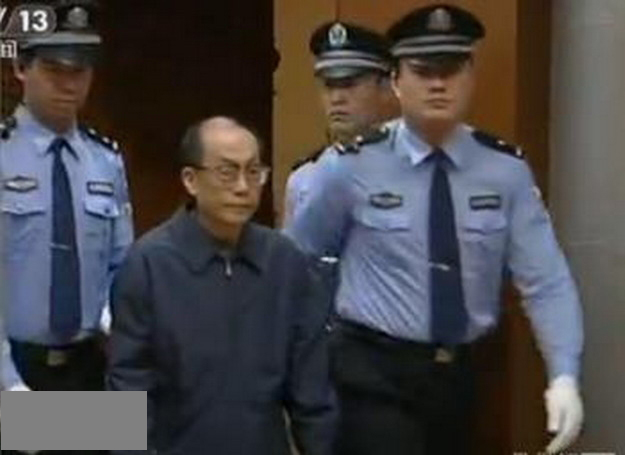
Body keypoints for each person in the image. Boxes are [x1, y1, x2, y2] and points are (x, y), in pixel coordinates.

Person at [285, 4, 584, 455]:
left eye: (451, 69)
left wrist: (563, 374)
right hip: (371, 372)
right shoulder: (349, 167)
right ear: (397, 80)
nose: (438, 84)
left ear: (471, 75)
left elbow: (545, 280)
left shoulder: (505, 171)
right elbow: (296, 262)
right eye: (423, 71)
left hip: (459, 373)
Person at [107, 117, 337, 455]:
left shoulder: (285, 262)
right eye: (227, 172)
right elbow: (129, 384)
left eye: (254, 171)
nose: (243, 187)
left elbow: (310, 388)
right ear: (190, 180)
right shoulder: (149, 264)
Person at [0, 0, 133, 394]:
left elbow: (123, 265)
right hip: (13, 364)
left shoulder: (106, 161)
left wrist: (112, 317)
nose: (69, 84)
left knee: (124, 427)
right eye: (55, 70)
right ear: (20, 67)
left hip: (88, 364)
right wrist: (8, 383)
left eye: (80, 71)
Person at [283, 21, 398, 225]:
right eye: (329, 86)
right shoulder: (305, 179)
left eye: (349, 85)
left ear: (387, 87)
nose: (336, 98)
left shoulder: (415, 170)